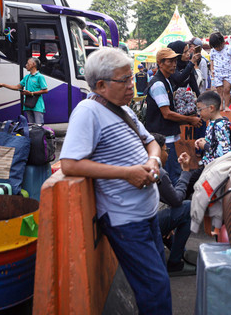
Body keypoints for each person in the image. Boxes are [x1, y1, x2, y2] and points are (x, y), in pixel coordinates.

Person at [59, 47, 171, 314]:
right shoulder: (88, 112)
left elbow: (151, 143)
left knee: (158, 282)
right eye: (125, 81)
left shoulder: (123, 109)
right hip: (125, 220)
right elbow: (69, 163)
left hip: (146, 213)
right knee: (155, 289)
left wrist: (152, 162)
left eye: (131, 78)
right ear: (101, 85)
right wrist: (127, 173)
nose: (132, 86)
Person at [145, 47, 202, 185]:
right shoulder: (159, 84)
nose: (174, 64)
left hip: (167, 135)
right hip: (164, 136)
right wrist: (190, 119)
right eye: (169, 61)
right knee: (173, 175)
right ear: (160, 63)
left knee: (172, 172)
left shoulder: (167, 81)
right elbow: (167, 113)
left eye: (175, 61)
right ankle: (178, 202)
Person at [152, 133, 196, 277]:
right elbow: (176, 200)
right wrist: (185, 172)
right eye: (166, 150)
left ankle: (179, 252)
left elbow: (169, 198)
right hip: (146, 224)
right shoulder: (159, 172)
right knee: (189, 206)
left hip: (136, 223)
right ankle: (175, 263)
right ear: (157, 152)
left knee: (177, 209)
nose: (167, 155)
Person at [0, 57, 48, 124]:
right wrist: (3, 85)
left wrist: (31, 93)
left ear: (33, 64)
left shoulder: (40, 76)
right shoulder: (27, 77)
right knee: (31, 127)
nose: (26, 65)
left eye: (28, 64)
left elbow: (45, 90)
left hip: (37, 106)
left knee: (38, 127)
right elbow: (17, 87)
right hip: (28, 105)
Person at [194, 91, 231, 166]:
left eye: (200, 109)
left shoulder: (220, 126)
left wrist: (205, 146)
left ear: (211, 108)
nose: (199, 114)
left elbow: (224, 153)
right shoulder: (212, 122)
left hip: (215, 169)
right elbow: (216, 142)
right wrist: (204, 140)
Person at [209, 32, 231, 110]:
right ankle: (221, 105)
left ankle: (226, 106)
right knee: (219, 90)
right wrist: (212, 69)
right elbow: (211, 60)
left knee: (227, 89)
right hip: (217, 73)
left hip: (227, 72)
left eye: (218, 46)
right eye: (215, 47)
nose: (217, 48)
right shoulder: (212, 51)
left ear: (223, 42)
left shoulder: (229, 49)